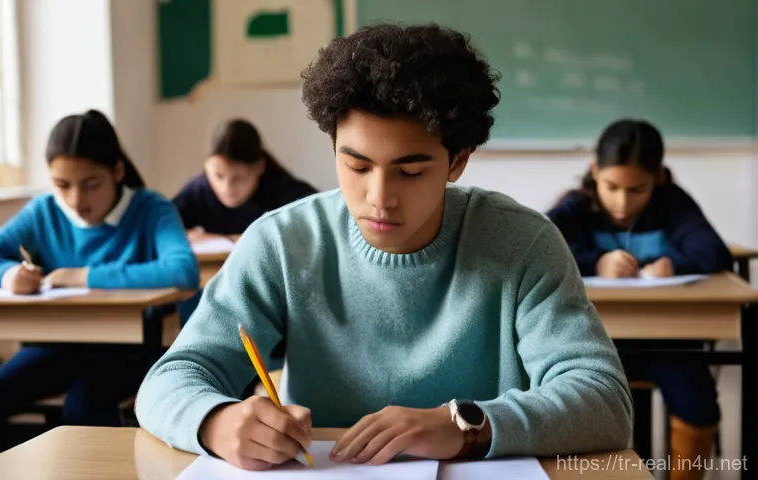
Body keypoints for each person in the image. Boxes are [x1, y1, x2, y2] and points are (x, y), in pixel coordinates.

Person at [136, 23, 632, 470]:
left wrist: (467, 426)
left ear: (457, 162)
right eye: (355, 166)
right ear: (333, 148)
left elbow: (604, 400)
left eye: (410, 172)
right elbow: (171, 378)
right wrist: (215, 421)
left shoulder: (522, 243)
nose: (378, 198)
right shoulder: (283, 242)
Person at [0, 110, 199, 445]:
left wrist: (84, 275)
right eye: (62, 185)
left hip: (127, 351)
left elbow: (183, 270)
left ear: (117, 171)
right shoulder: (43, 210)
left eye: (91, 185)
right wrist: (7, 276)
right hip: (56, 345)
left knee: (85, 405)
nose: (76, 200)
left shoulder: (151, 208)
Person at [547, 118, 731, 480]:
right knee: (572, 405)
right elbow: (536, 247)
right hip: (591, 342)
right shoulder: (577, 207)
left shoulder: (672, 204)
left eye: (637, 190)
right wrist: (595, 263)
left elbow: (714, 252)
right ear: (594, 172)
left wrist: (672, 264)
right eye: (611, 186)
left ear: (658, 179)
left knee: (698, 400)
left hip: (668, 342)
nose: (622, 202)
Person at [173, 118, 317, 240]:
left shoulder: (289, 194)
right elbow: (162, 224)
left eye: (238, 178)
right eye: (218, 176)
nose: (227, 188)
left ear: (259, 167)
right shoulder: (199, 190)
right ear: (207, 166)